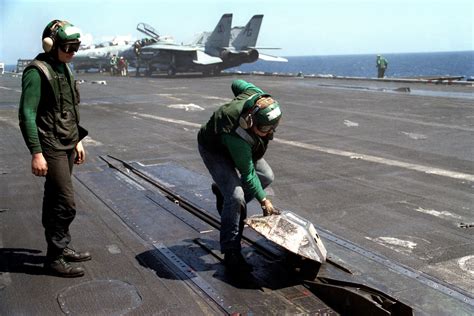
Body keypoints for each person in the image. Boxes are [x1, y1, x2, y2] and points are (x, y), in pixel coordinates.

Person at [18, 20, 91, 278]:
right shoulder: (37, 72)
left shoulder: (64, 67)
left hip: (67, 140)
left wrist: (78, 139)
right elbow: (26, 114)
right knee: (66, 202)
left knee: (54, 200)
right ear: (51, 45)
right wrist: (36, 153)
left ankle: (60, 245)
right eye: (68, 47)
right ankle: (54, 258)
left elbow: (70, 106)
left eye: (76, 47)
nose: (72, 53)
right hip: (50, 144)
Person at [197, 79, 282, 273]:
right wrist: (264, 200)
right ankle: (231, 252)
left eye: (273, 128)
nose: (270, 134)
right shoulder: (238, 137)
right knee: (236, 197)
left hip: (240, 146)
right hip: (216, 150)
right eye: (265, 129)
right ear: (248, 121)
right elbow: (249, 173)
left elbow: (237, 83)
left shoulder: (255, 94)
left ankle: (223, 194)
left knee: (267, 176)